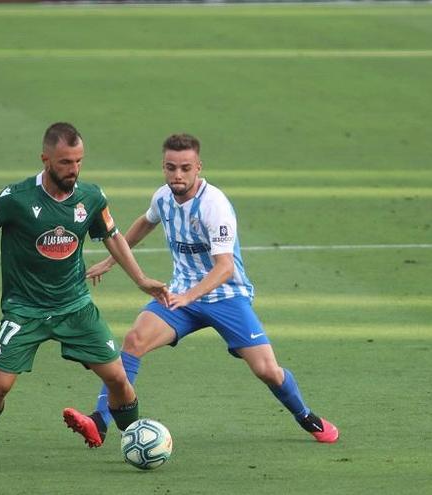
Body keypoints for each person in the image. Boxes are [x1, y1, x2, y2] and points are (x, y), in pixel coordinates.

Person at [62, 133, 338, 447]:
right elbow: (145, 222)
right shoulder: (163, 197)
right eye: (170, 168)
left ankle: (305, 416)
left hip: (226, 297)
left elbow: (225, 268)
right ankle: (99, 421)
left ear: (198, 167)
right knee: (134, 340)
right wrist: (111, 262)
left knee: (267, 370)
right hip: (181, 296)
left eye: (185, 168)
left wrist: (189, 296)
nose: (177, 175)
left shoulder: (214, 205)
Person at [0, 122, 169, 467]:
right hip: (25, 309)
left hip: (75, 306)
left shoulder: (91, 197)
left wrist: (140, 278)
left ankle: (134, 439)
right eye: (66, 162)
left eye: (79, 161)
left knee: (118, 379)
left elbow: (112, 236)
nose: (74, 170)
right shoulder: (16, 198)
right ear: (46, 159)